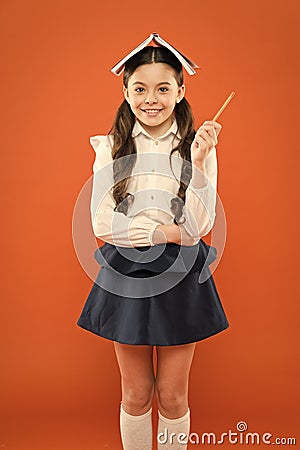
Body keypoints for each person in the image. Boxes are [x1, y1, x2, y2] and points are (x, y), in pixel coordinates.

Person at [77, 38, 229, 450]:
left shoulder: (198, 146)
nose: (151, 99)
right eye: (140, 88)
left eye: (164, 88)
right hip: (126, 271)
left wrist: (197, 164)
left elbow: (199, 226)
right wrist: (164, 233)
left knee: (174, 395)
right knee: (136, 393)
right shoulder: (109, 147)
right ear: (125, 92)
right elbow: (102, 222)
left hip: (182, 274)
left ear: (181, 92)